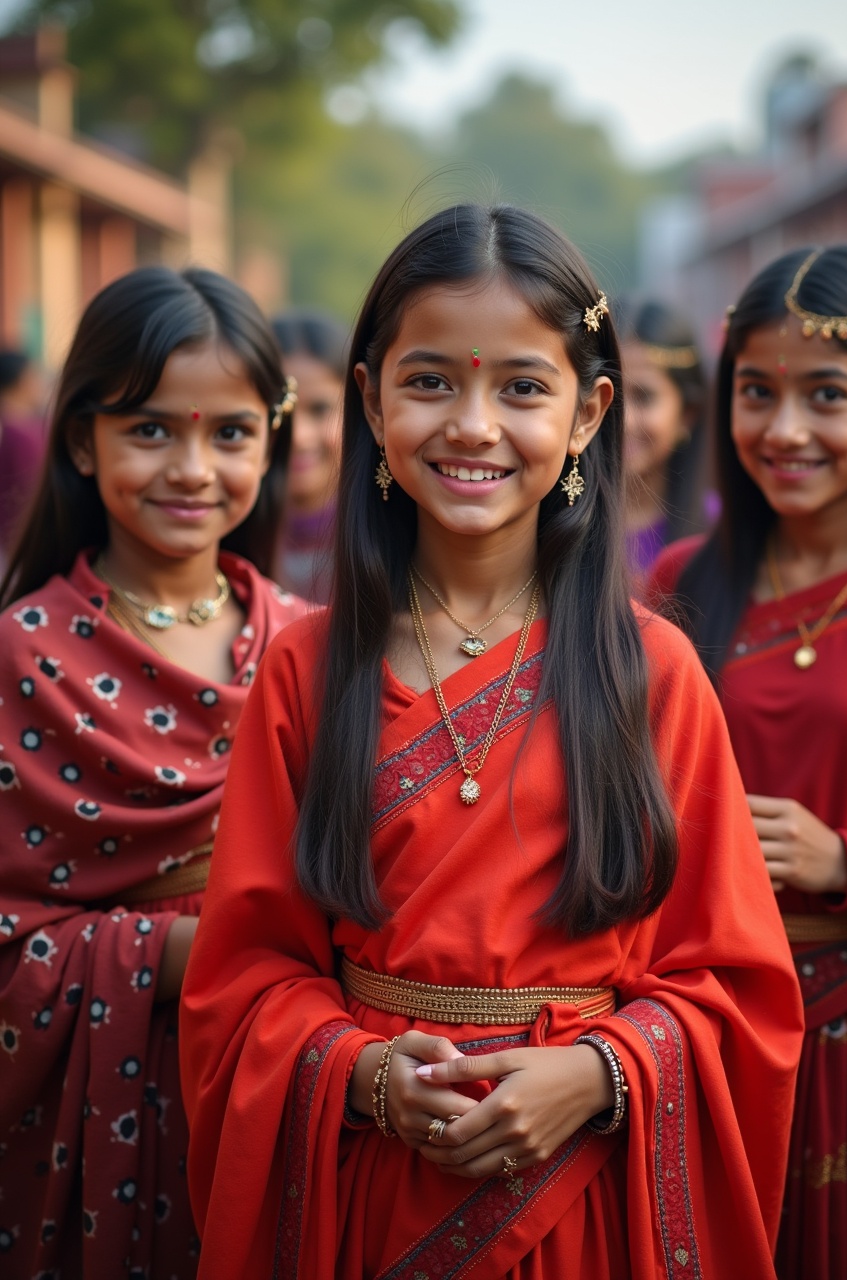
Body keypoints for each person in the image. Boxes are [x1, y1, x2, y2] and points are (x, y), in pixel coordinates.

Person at [180, 203, 803, 1280]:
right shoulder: (304, 669)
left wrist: (601, 1072)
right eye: (430, 381)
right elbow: (244, 979)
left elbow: (739, 985)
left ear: (588, 412)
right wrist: (365, 1072)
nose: (473, 424)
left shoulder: (651, 673)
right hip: (368, 1188)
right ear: (370, 400)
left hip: (589, 1201)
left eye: (521, 385)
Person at [648, 245, 847, 1279]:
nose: (783, 431)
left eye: (825, 395)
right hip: (704, 1031)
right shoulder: (684, 579)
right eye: (756, 392)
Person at [0, 266, 308, 1280]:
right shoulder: (22, 653)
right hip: (91, 1123)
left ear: (272, 441)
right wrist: (199, 949)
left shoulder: (318, 645)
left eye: (229, 432)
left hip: (299, 1083)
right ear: (82, 440)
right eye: (149, 430)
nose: (192, 467)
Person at [616, 298, 712, 577]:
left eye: (644, 397)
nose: (623, 421)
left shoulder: (721, 534)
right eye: (607, 393)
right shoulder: (548, 526)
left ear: (687, 415)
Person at [271, 309, 348, 601]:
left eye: (319, 410)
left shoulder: (396, 540)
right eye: (281, 411)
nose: (299, 436)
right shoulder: (221, 541)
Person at [0, 348, 48, 573]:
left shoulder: (27, 426)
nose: (40, 383)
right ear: (21, 381)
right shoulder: (19, 432)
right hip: (16, 542)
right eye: (34, 376)